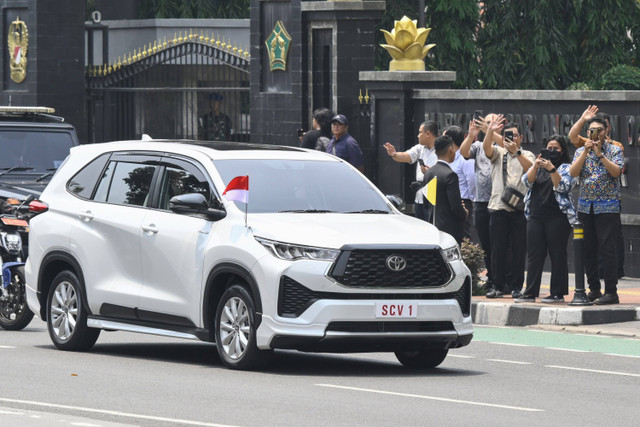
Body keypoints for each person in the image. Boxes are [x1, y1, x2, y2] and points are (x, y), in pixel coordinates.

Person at [569, 116, 624, 305]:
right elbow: (573, 173)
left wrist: (600, 154)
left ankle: (611, 291)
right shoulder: (579, 152)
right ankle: (593, 289)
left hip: (607, 206)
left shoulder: (615, 150)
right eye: (592, 130)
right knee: (588, 248)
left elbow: (616, 172)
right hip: (586, 206)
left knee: (608, 249)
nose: (596, 133)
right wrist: (586, 152)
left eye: (600, 130)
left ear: (606, 131)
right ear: (587, 133)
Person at [515, 135, 577, 303]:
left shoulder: (566, 167)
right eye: (549, 148)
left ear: (562, 150)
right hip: (535, 215)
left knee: (557, 255)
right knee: (534, 255)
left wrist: (552, 170)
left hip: (558, 217)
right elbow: (525, 182)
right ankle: (530, 292)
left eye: (555, 148)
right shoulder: (539, 166)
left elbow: (563, 186)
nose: (552, 151)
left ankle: (557, 293)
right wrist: (535, 166)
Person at [483, 116, 535, 299]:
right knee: (498, 249)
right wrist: (491, 131)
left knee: (519, 250)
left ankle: (515, 287)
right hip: (498, 207)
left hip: (519, 210)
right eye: (507, 136)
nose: (510, 139)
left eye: (513, 136)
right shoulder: (499, 152)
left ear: (520, 137)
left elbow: (532, 171)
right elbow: (487, 149)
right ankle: (497, 286)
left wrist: (517, 153)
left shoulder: (527, 154)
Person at [460, 113, 502, 289]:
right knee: (486, 244)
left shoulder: (504, 144)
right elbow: (463, 152)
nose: (488, 125)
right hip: (481, 202)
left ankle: (502, 280)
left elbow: (507, 145)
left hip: (500, 202)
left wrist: (491, 132)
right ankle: (491, 279)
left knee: (500, 244)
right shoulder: (477, 146)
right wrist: (471, 136)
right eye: (486, 122)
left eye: (492, 123)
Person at [383, 121, 438, 222]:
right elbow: (406, 156)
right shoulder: (420, 148)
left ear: (428, 134)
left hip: (434, 194)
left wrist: (430, 173)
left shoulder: (441, 148)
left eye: (420, 132)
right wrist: (394, 154)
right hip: (419, 194)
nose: (418, 136)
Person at [422, 135, 468, 244]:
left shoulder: (428, 173)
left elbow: (426, 203)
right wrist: (465, 212)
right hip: (450, 230)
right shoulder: (450, 175)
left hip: (433, 227)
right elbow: (455, 207)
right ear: (450, 150)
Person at [443, 125, 475, 241]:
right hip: (449, 201)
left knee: (463, 235)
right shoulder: (447, 157)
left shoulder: (464, 158)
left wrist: (471, 199)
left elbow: (472, 179)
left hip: (463, 201)